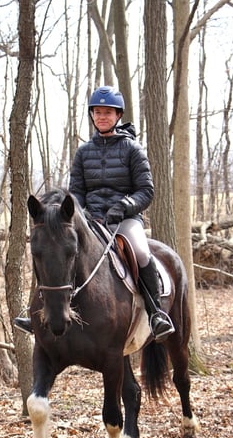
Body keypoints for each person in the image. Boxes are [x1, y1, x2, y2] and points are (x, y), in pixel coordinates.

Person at [15, 85, 174, 340]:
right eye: (97, 112)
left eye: (107, 113)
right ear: (92, 116)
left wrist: (124, 206)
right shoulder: (83, 152)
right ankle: (37, 312)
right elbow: (76, 192)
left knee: (142, 252)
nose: (102, 117)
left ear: (118, 116)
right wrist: (81, 214)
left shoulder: (133, 149)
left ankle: (156, 314)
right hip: (90, 220)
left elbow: (146, 190)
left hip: (124, 220)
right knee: (53, 252)